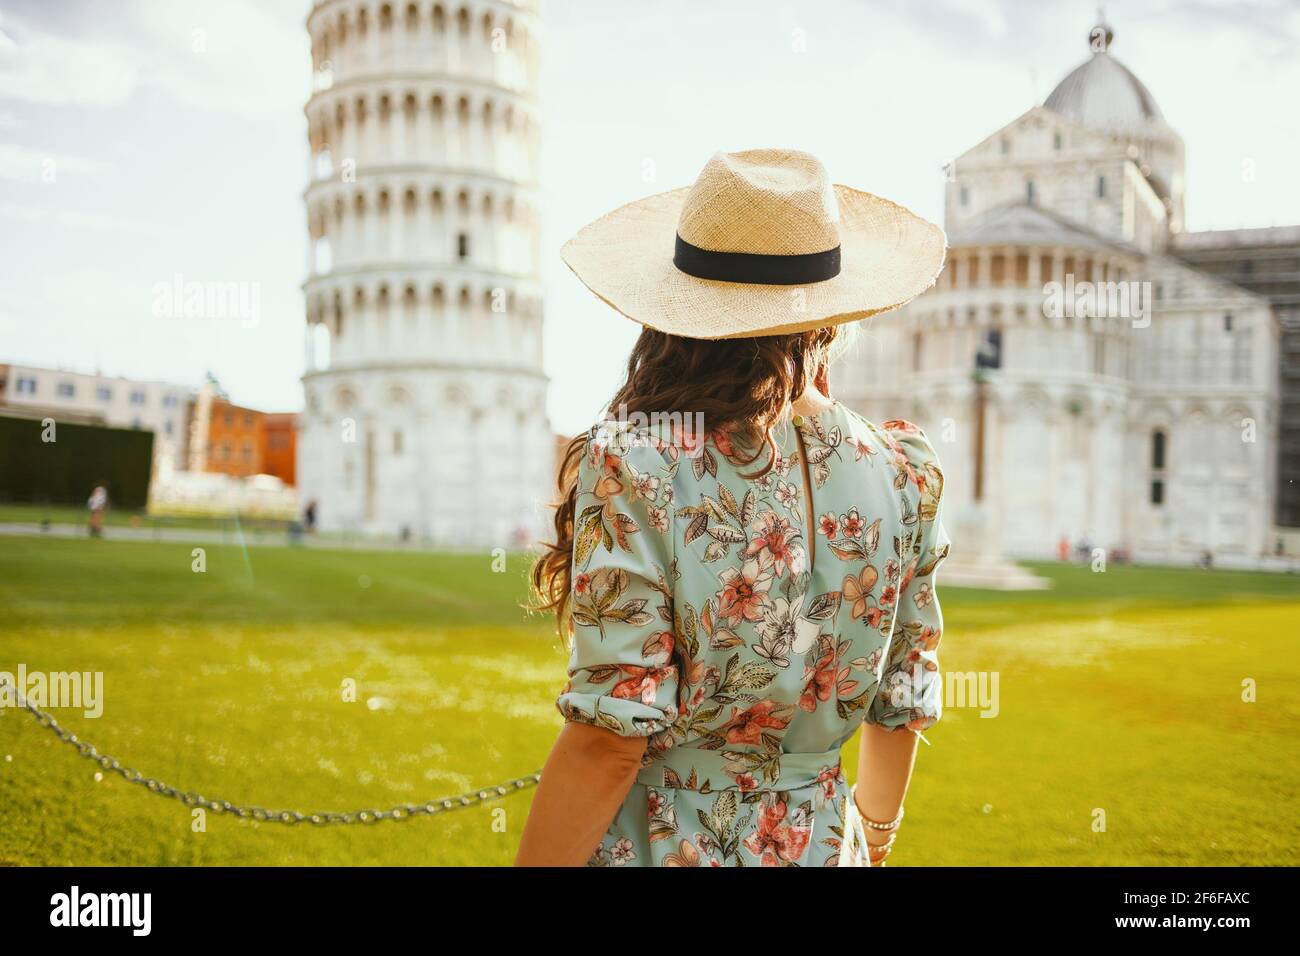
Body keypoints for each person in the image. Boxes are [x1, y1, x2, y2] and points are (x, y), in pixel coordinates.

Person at [516, 149, 950, 867]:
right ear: (829, 313)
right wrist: (872, 842)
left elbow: (606, 741)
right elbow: (903, 697)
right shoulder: (904, 473)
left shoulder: (640, 461)